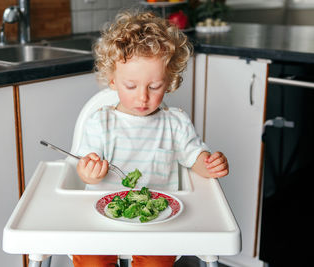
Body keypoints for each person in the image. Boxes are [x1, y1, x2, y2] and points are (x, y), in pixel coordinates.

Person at [73, 10, 229, 267]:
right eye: (131, 86)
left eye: (154, 86)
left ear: (169, 82)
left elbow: (194, 156)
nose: (142, 97)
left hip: (158, 219)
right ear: (112, 80)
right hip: (103, 218)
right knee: (90, 259)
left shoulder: (175, 123)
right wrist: (89, 172)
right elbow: (84, 165)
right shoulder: (100, 123)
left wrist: (209, 163)